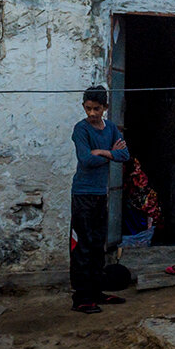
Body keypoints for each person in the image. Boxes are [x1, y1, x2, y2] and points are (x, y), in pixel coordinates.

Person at [70, 85, 129, 314]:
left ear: (105, 107)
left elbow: (124, 155)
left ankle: (96, 292)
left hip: (100, 194)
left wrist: (102, 152)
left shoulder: (111, 128)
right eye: (88, 108)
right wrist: (110, 153)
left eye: (96, 109)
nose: (92, 113)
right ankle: (81, 297)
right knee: (81, 246)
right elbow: (85, 160)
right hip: (82, 194)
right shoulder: (81, 129)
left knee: (97, 245)